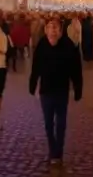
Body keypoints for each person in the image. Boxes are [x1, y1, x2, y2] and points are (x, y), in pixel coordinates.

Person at [29, 18, 83, 165]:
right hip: (46, 91)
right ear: (45, 30)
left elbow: (76, 69)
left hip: (61, 90)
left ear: (60, 30)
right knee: (48, 123)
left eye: (55, 28)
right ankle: (53, 148)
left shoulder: (68, 45)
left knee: (61, 123)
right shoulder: (41, 45)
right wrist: (32, 84)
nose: (53, 31)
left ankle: (57, 152)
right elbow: (36, 67)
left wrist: (78, 87)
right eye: (50, 28)